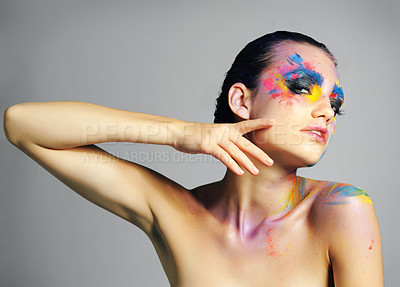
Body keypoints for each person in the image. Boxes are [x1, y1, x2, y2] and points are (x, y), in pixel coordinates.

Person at [3, 31, 383, 286]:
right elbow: (23, 125)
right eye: (303, 88)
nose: (327, 113)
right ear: (242, 101)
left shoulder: (341, 209)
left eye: (335, 103)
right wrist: (179, 133)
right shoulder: (175, 212)